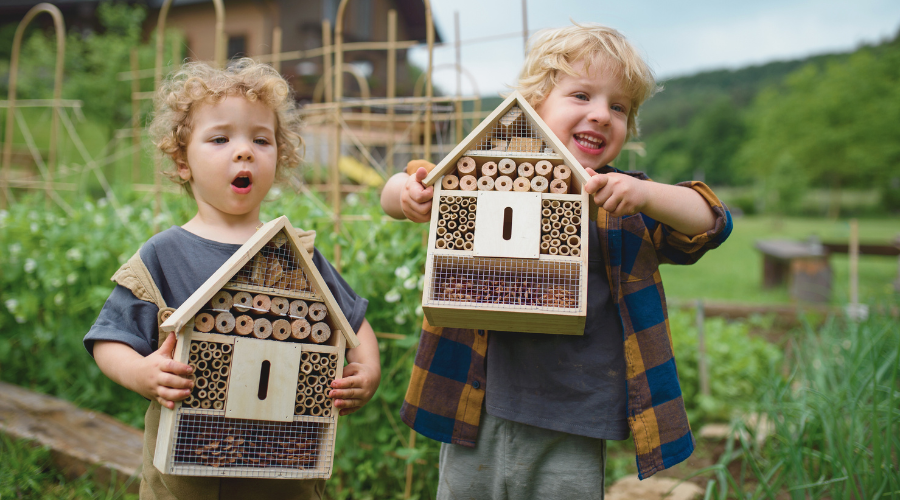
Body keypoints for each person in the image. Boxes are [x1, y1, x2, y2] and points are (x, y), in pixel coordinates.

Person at [381, 23, 732, 499]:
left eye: (619, 106)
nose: (601, 115)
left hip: (575, 417)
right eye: (582, 95)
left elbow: (711, 220)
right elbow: (407, 183)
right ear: (535, 102)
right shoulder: (492, 171)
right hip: (477, 404)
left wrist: (645, 193)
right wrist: (407, 197)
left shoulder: (620, 201)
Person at [84, 59, 381, 500]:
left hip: (284, 468)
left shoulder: (293, 252)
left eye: (261, 140)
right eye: (220, 138)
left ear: (279, 158)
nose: (244, 151)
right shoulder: (164, 254)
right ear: (183, 161)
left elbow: (353, 324)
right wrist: (142, 372)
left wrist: (367, 370)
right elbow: (111, 338)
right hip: (186, 480)